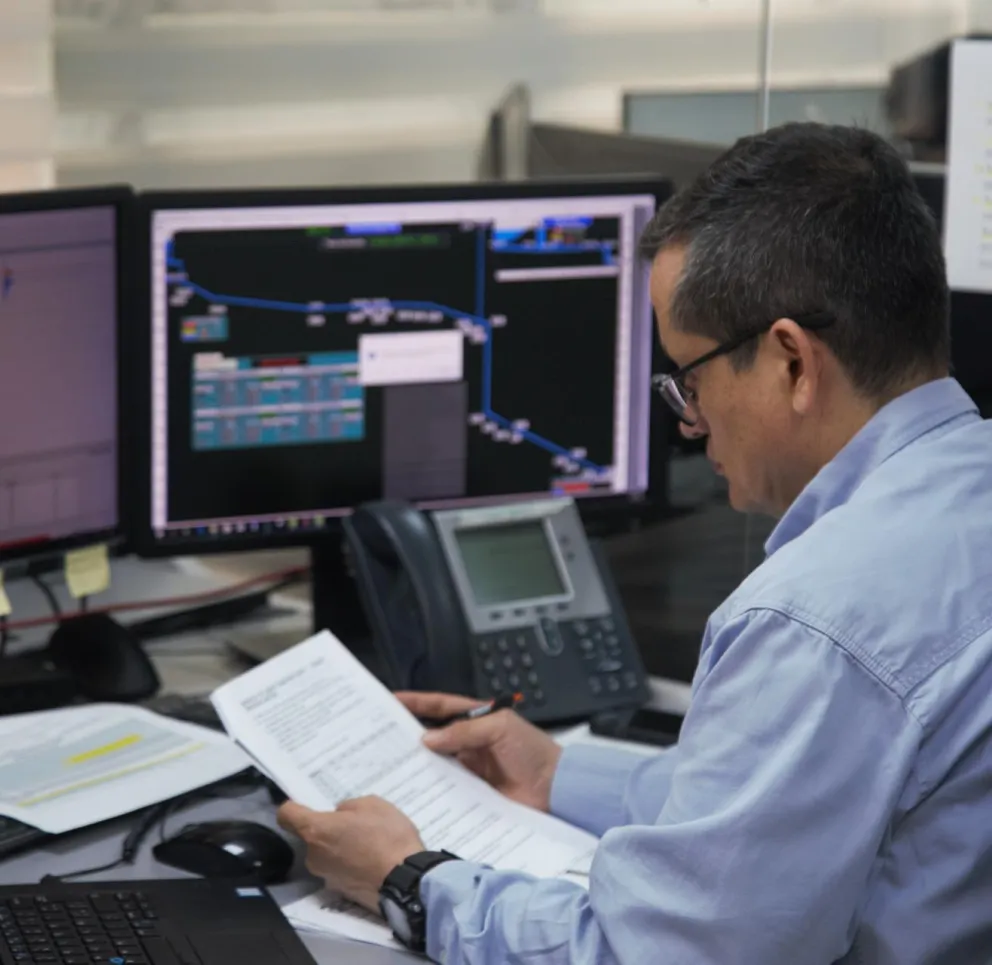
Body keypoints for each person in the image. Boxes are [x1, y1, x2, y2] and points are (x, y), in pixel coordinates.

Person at [277, 124, 992, 964]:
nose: (688, 424)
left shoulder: (816, 618)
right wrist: (555, 776)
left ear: (793, 362)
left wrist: (410, 880)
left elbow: (657, 954)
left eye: (690, 378)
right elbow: (780, 809)